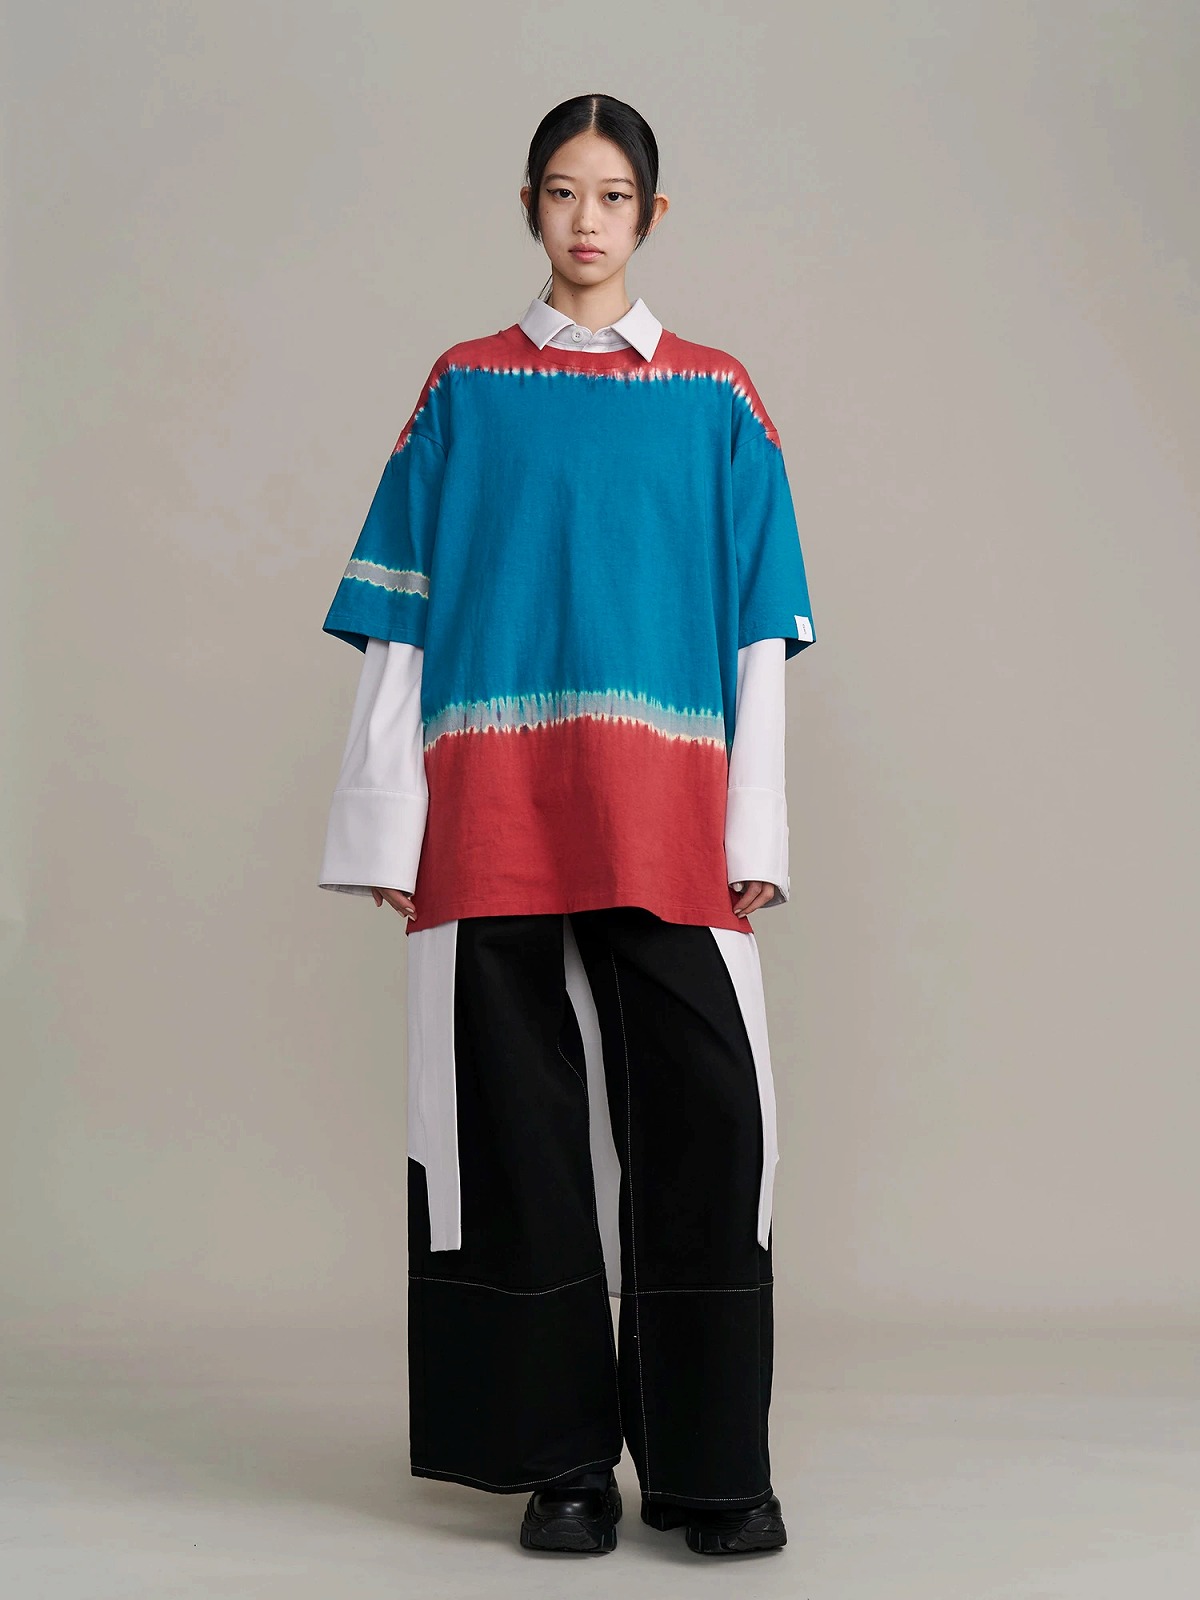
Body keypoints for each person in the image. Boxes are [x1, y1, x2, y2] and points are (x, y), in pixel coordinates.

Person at [317, 93, 816, 1558]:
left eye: (611, 195)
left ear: (652, 214)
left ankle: (713, 1471)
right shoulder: (466, 388)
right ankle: (564, 1470)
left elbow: (760, 631)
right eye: (559, 192)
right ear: (528, 207)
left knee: (711, 1120)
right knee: (511, 1137)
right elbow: (403, 613)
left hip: (666, 815)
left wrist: (754, 829)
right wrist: (389, 824)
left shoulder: (717, 398)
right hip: (491, 809)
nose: (585, 220)